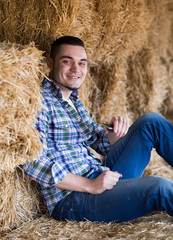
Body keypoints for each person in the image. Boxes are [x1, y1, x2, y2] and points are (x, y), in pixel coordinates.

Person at [23, 36, 173, 223]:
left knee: (150, 122)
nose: (76, 70)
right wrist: (90, 185)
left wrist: (114, 134)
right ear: (50, 64)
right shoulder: (40, 102)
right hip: (72, 198)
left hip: (101, 176)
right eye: (67, 61)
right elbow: (31, 163)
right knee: (158, 186)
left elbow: (98, 141)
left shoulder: (73, 102)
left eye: (82, 63)